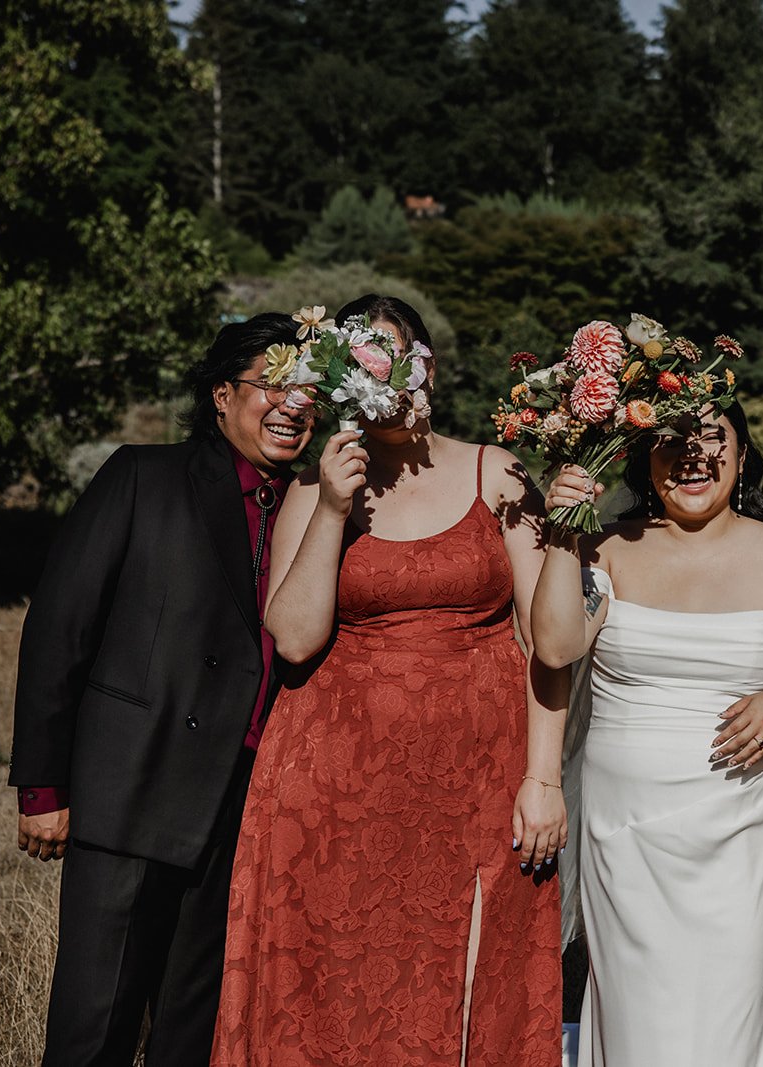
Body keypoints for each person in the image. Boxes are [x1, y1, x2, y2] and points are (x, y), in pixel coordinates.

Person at [212, 295, 564, 1066]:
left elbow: (550, 640)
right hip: (334, 780)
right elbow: (296, 638)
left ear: (426, 367)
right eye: (363, 365)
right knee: (337, 982)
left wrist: (544, 776)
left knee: (467, 971)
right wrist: (335, 506)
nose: (386, 382)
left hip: (477, 768)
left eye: (396, 360)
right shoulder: (317, 488)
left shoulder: (496, 471)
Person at [8, 312, 314, 1065]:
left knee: (193, 1028)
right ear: (220, 394)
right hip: (130, 791)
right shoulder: (141, 475)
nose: (291, 403)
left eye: (307, 390)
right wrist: (43, 788)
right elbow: (59, 629)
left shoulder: (322, 511)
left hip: (243, 810)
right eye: (270, 383)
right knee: (94, 1025)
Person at [533, 402, 763, 1067]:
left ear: (740, 451)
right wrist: (564, 530)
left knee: (728, 995)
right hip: (628, 827)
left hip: (738, 820)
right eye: (672, 440)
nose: (694, 453)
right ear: (647, 460)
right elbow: (556, 646)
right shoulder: (608, 548)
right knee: (639, 1000)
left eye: (713, 437)